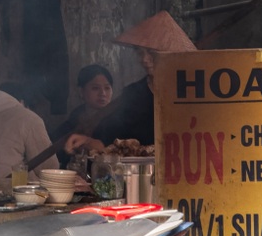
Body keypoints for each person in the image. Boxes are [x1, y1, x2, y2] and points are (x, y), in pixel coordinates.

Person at [65, 11, 195, 152]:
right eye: (140, 53)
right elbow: (110, 134)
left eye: (151, 53)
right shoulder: (134, 93)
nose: (144, 59)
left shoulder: (190, 91)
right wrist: (89, 141)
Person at [51, 65, 114, 165]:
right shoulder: (69, 127)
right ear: (81, 92)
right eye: (95, 88)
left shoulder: (120, 125)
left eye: (107, 88)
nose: (103, 93)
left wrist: (90, 143)